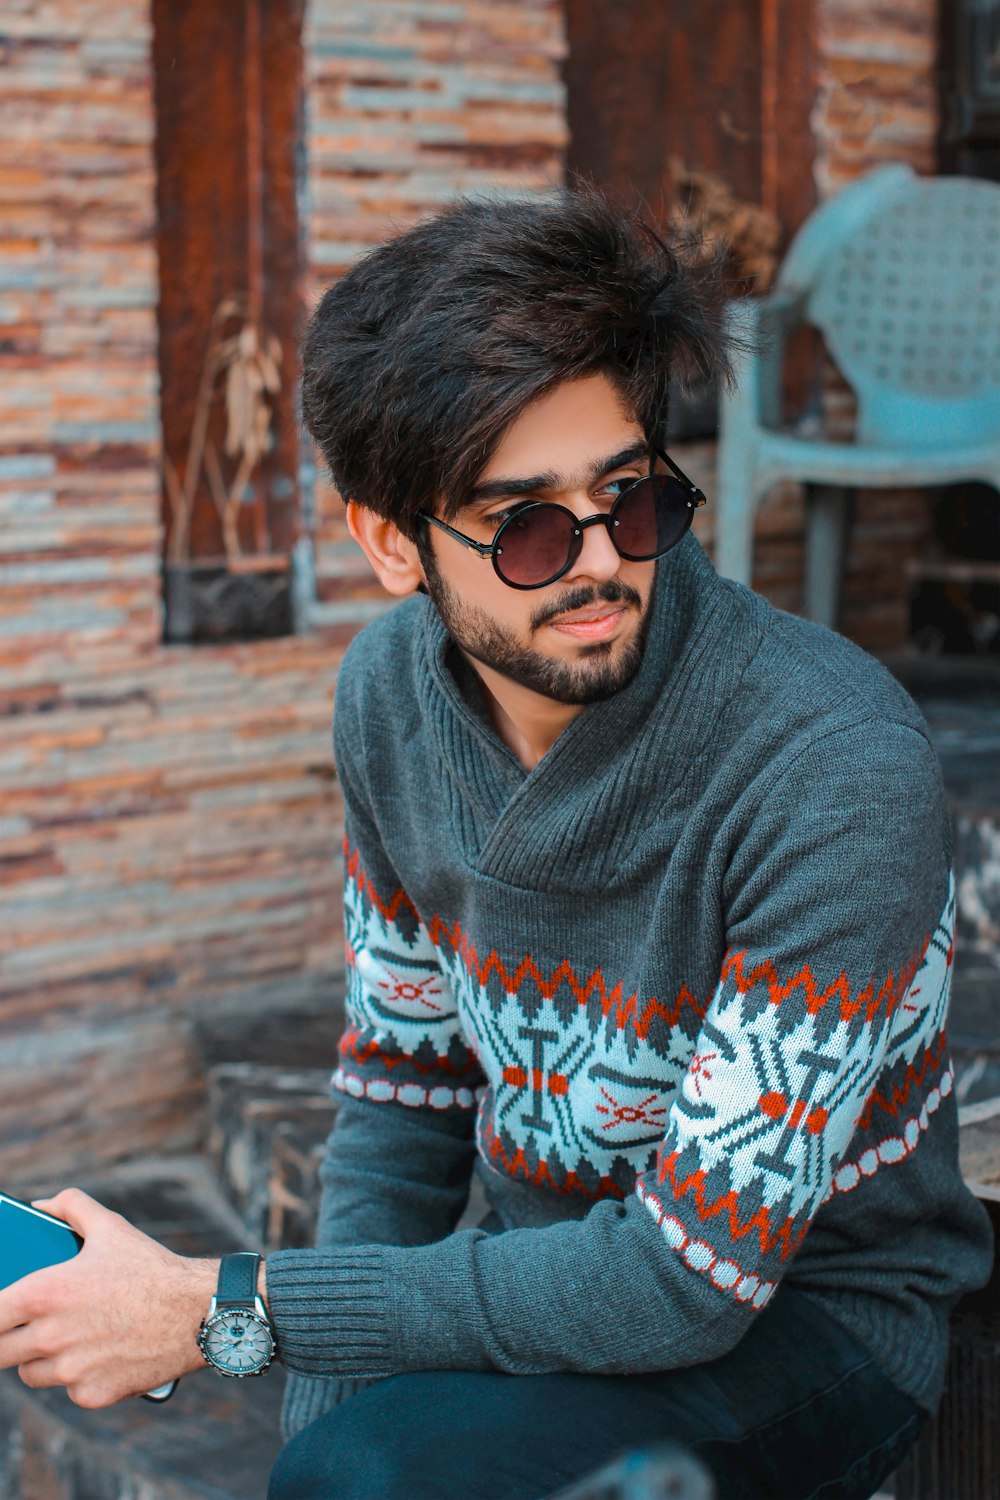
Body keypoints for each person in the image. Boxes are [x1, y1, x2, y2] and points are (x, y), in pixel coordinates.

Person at [0, 190, 991, 1500]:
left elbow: (683, 1287)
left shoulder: (829, 767)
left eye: (631, 498)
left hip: (803, 1322)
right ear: (389, 542)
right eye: (525, 523)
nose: (598, 564)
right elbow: (403, 1100)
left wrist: (216, 1310)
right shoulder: (388, 702)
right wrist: (310, 1412)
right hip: (536, 1284)